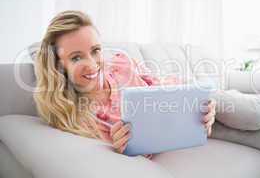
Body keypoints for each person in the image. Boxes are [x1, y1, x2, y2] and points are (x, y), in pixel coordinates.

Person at [33, 10, 216, 159]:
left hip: (187, 96)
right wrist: (120, 151)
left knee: (226, 104)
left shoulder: (121, 62)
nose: (92, 63)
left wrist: (200, 105)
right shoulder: (80, 118)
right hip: (176, 134)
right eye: (76, 57)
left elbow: (161, 84)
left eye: (95, 50)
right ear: (59, 66)